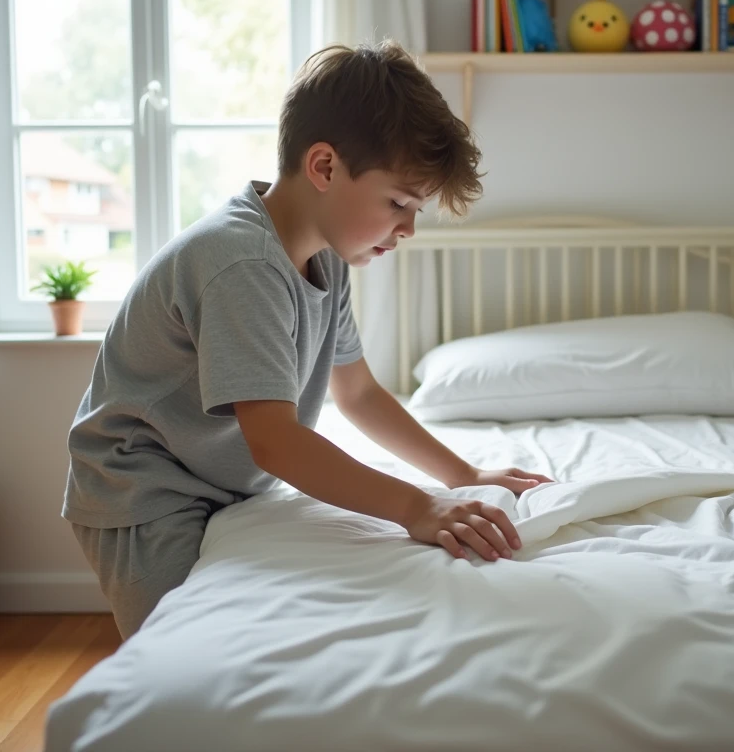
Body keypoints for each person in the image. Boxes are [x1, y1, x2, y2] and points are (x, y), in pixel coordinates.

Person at [63, 40, 552, 639]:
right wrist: (416, 506)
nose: (408, 229)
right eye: (399, 203)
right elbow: (276, 442)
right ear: (324, 167)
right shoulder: (242, 262)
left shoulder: (327, 258)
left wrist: (464, 474)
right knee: (191, 649)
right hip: (147, 489)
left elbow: (359, 395)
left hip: (222, 481)